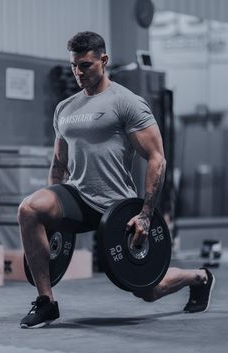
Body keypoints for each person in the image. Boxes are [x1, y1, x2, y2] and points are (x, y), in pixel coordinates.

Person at [18, 31, 215, 329]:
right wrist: (51, 214)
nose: (78, 72)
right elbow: (59, 163)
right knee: (29, 209)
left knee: (148, 289)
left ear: (104, 60)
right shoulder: (65, 108)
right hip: (76, 196)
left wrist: (146, 215)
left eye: (85, 65)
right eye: (74, 65)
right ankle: (46, 302)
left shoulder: (126, 102)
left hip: (116, 205)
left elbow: (157, 158)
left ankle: (199, 277)